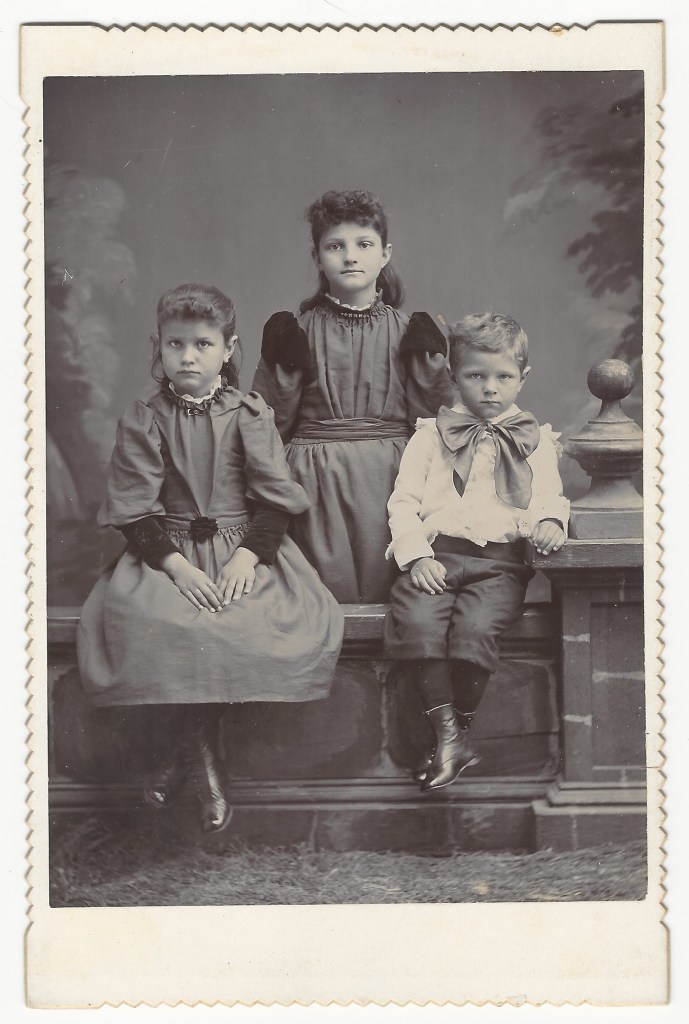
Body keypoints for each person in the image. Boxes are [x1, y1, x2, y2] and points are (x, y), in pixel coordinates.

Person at [77, 284, 344, 833]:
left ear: (228, 349)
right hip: (166, 552)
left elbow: (275, 498)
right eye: (175, 344)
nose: (188, 356)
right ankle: (203, 760)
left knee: (249, 625)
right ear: (158, 347)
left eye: (203, 344)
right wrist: (177, 567)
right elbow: (132, 508)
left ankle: (185, 756)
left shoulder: (249, 413)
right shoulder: (144, 417)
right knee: (160, 623)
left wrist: (248, 557)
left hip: (243, 548)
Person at [383, 312, 569, 791]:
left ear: (523, 377)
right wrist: (416, 556)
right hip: (436, 558)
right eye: (475, 376)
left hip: (498, 566)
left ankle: (454, 737)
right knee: (417, 622)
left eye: (503, 377)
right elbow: (403, 502)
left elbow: (548, 495)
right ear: (453, 375)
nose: (489, 388)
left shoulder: (534, 440)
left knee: (476, 631)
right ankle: (451, 739)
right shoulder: (430, 435)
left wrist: (550, 520)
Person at [252, 189, 454, 603]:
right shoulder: (296, 332)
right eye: (335, 246)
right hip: (314, 484)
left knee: (399, 597)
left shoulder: (411, 332)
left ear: (385, 254)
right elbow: (268, 424)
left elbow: (434, 423)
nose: (349, 257)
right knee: (323, 599)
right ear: (317, 257)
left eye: (363, 245)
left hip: (392, 481)